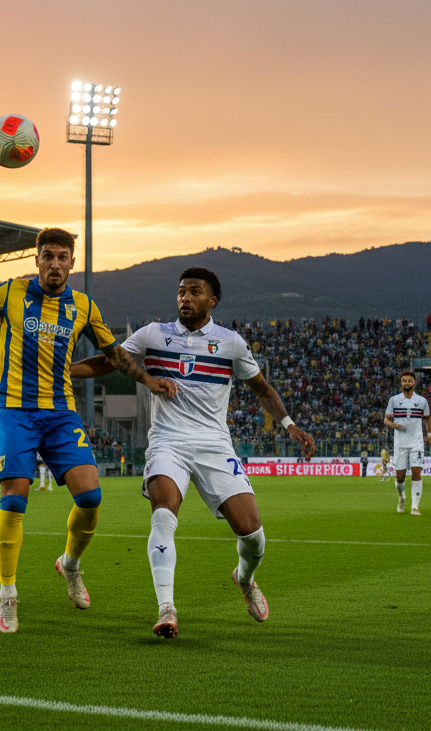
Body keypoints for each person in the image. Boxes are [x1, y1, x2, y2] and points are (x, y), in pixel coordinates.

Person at [0, 227, 175, 634]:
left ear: (73, 262)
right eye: (48, 256)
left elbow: (113, 354)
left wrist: (148, 381)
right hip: (15, 411)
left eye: (62, 256)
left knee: (91, 496)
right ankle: (8, 596)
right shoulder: (10, 293)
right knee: (15, 502)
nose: (55, 263)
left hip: (60, 413)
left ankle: (70, 565)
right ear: (36, 259)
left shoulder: (84, 306)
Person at [72, 267, 314, 638]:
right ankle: (166, 609)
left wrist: (289, 424)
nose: (185, 297)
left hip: (215, 444)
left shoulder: (230, 343)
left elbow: (261, 388)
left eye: (195, 292)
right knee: (163, 516)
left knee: (252, 535)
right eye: (181, 291)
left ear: (212, 300)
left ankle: (244, 579)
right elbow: (111, 360)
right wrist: (65, 370)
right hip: (168, 440)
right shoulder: (154, 334)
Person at [384, 371, 431, 515]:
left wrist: (429, 434)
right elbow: (386, 419)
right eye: (404, 381)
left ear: (414, 383)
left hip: (416, 442)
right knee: (400, 477)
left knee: (416, 472)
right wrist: (395, 425)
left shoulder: (422, 401)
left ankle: (415, 507)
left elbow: (428, 418)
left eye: (409, 381)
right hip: (400, 443)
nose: (407, 383)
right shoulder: (394, 400)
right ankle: (402, 497)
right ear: (401, 383)